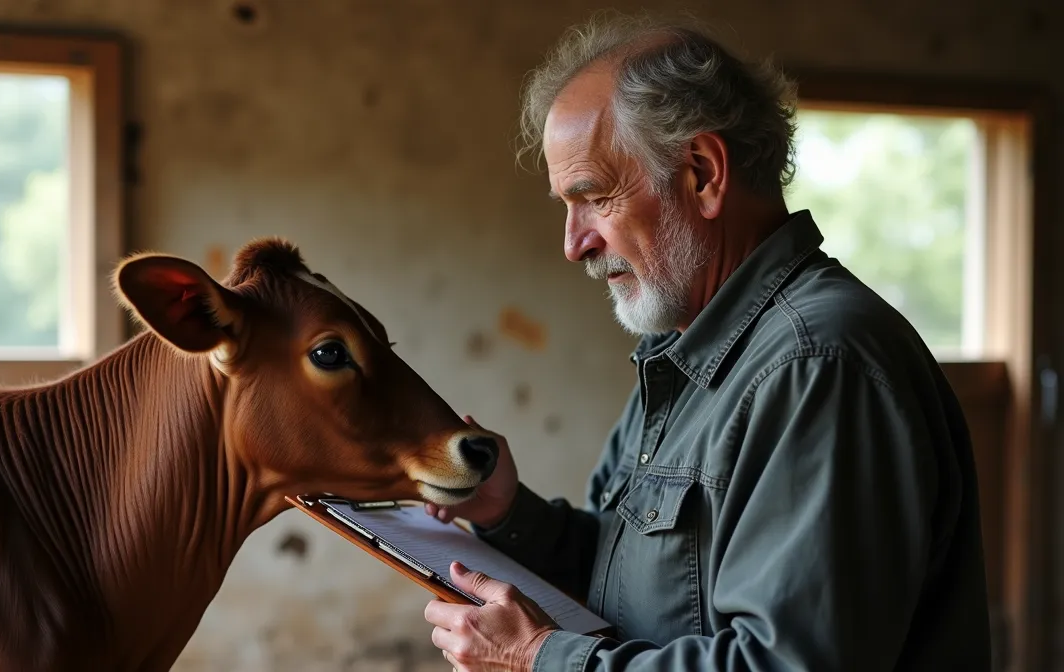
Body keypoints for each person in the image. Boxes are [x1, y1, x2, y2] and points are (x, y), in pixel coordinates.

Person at [420, 10, 993, 672]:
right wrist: (507, 514)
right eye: (566, 206)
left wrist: (540, 660)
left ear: (702, 173)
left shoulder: (815, 364)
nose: (574, 243)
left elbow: (788, 664)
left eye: (594, 197)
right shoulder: (690, 352)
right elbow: (634, 584)